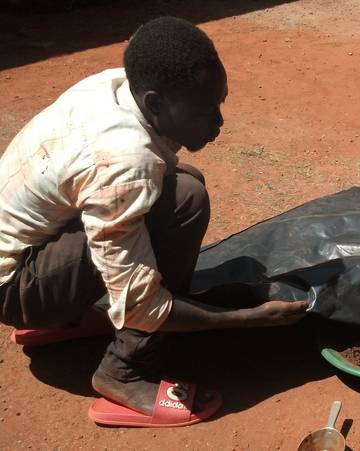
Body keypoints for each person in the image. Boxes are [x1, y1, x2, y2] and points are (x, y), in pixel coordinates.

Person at [0, 16, 308, 427]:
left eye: (220, 103)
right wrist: (243, 320)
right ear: (154, 103)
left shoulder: (114, 87)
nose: (218, 121)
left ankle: (71, 313)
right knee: (184, 199)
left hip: (28, 251)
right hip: (15, 288)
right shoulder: (123, 161)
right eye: (204, 110)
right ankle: (124, 370)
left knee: (178, 185)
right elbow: (143, 304)